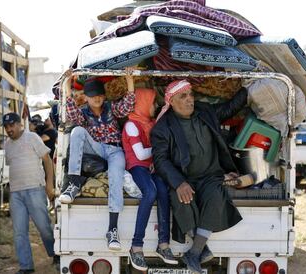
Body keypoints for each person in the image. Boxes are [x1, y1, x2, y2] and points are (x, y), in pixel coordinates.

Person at [151, 80, 247, 274]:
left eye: (191, 94)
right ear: (171, 101)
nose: (190, 100)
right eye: (183, 96)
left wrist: (247, 87)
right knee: (181, 199)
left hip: (211, 175)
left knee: (217, 195)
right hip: (185, 178)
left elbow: (229, 109)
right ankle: (200, 249)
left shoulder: (205, 112)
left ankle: (194, 253)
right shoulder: (163, 127)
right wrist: (179, 183)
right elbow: (161, 160)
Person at [59, 69, 135, 251]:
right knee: (77, 131)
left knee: (116, 178)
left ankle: (112, 228)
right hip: (97, 148)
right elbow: (70, 112)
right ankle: (73, 183)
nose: (97, 99)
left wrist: (129, 79)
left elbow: (128, 105)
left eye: (100, 95)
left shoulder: (111, 108)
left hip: (115, 150)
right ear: (86, 97)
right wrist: (67, 83)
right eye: (93, 96)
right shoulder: (83, 113)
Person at [122, 88, 177, 271]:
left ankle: (163, 244)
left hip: (150, 166)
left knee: (163, 190)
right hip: (137, 166)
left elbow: (159, 122)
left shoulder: (149, 123)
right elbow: (140, 154)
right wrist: (160, 151)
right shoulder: (132, 125)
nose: (155, 106)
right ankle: (136, 246)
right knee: (150, 192)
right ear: (143, 103)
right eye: (153, 102)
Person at [3, 112, 59, 274]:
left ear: (20, 124)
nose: (9, 129)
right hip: (16, 193)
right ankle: (26, 267)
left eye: (11, 125)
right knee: (19, 232)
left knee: (44, 227)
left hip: (35, 189)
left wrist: (49, 185)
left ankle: (55, 253)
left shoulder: (33, 137)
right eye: (6, 127)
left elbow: (47, 161)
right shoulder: (7, 144)